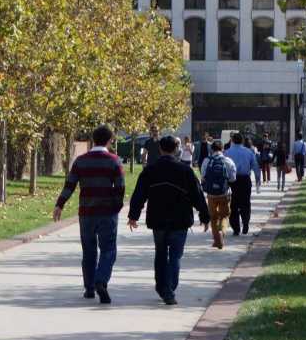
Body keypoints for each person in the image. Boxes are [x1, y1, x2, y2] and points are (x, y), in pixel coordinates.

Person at [128, 136, 210, 305]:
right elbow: (197, 195)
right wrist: (204, 215)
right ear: (176, 149)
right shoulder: (185, 171)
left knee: (160, 253)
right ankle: (169, 288)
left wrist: (133, 215)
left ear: (160, 149)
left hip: (157, 219)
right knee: (175, 256)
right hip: (180, 219)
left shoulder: (150, 170)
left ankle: (162, 286)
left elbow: (139, 194)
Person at [53, 125, 125, 304]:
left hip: (86, 212)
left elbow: (69, 185)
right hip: (107, 213)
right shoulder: (114, 161)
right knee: (108, 249)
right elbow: (120, 188)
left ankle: (90, 288)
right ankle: (101, 280)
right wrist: (116, 206)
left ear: (93, 140)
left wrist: (59, 205)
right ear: (110, 141)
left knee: (89, 250)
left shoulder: (80, 161)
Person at [200, 140, 237, 249]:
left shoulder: (207, 161)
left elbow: (203, 176)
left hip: (211, 194)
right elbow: (233, 178)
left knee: (213, 217)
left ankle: (217, 240)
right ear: (222, 149)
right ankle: (222, 233)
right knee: (224, 216)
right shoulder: (228, 161)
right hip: (224, 193)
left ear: (211, 149)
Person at [224, 132, 261, 236]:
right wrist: (258, 180)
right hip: (245, 179)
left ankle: (236, 228)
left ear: (232, 140)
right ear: (242, 141)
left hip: (233, 181)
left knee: (234, 204)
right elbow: (255, 167)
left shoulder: (227, 152)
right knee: (245, 203)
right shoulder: (249, 152)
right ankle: (245, 222)